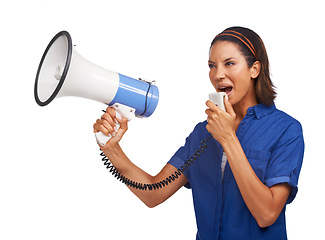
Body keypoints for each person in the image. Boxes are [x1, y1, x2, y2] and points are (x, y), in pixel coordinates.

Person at [93, 26, 304, 240]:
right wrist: (112, 149)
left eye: (229, 63)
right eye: (212, 66)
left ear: (254, 69)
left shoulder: (286, 130)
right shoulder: (203, 133)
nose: (218, 75)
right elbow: (153, 193)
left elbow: (267, 214)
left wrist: (228, 138)